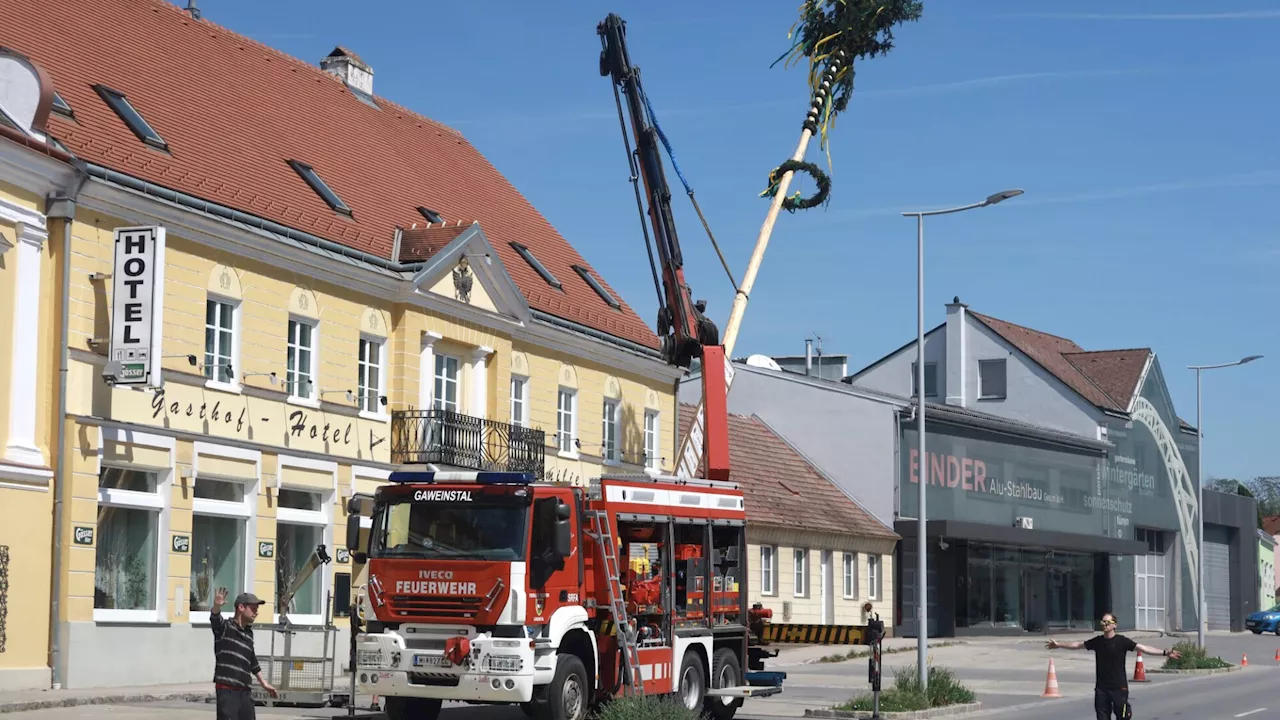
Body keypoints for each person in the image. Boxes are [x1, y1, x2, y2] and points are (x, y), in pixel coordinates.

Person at [1046, 612, 1181, 720]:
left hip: (1119, 688)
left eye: (1107, 622)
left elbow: (1144, 648)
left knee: (1122, 716)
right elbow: (1077, 645)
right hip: (1101, 689)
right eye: (1102, 622)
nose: (1104, 624)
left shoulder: (1122, 642)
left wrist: (1165, 653)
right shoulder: (1097, 641)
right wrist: (1059, 645)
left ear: (1114, 625)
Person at [211, 587, 278, 720]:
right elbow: (215, 619)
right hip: (227, 690)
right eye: (253, 609)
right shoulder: (225, 628)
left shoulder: (249, 633)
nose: (256, 613)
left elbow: (252, 660)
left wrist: (263, 683)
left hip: (245, 692)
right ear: (241, 607)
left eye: (256, 610)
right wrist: (216, 607)